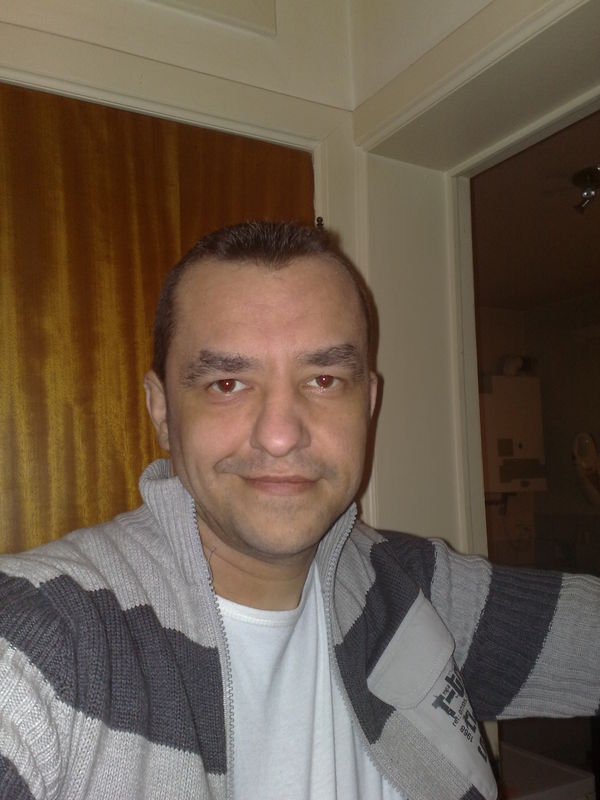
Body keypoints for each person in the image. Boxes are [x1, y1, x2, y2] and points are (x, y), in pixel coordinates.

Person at [0, 220, 598, 800]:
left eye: (324, 379)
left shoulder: (412, 589)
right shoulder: (47, 634)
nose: (281, 435)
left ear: (368, 403)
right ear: (161, 410)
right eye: (227, 383)